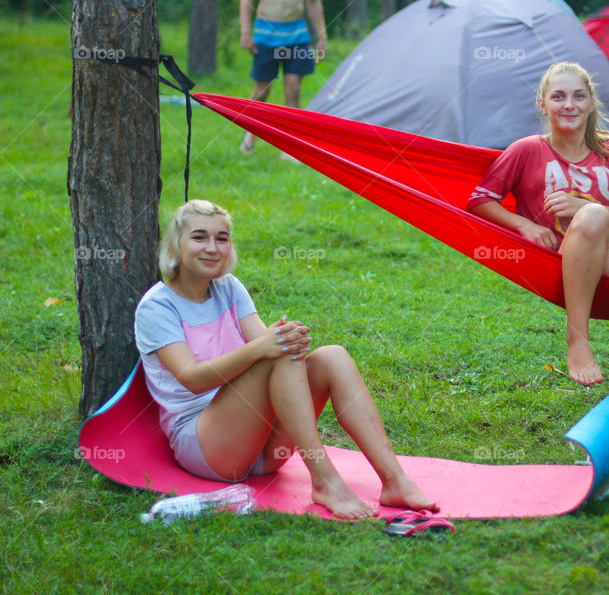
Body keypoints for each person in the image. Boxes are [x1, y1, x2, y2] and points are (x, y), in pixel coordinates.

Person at [134, 200, 437, 519]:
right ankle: (324, 481)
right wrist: (269, 345)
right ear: (176, 245)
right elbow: (192, 378)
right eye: (199, 237)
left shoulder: (228, 288)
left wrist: (286, 337)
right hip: (207, 447)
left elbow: (266, 346)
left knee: (331, 356)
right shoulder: (158, 308)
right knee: (276, 351)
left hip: (262, 448)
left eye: (221, 238)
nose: (212, 247)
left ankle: (395, 480)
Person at [467, 61, 609, 425]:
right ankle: (577, 339)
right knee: (595, 216)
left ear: (591, 103)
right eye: (559, 96)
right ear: (543, 103)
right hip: (561, 262)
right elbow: (480, 200)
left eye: (578, 96)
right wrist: (522, 224)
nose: (569, 105)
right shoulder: (526, 150)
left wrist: (586, 206)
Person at [238, 0, 327, 155]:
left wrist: (322, 37)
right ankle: (250, 133)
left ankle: (291, 145)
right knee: (262, 91)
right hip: (266, 32)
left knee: (294, 89)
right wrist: (245, 32)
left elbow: (313, 1)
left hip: (297, 34)